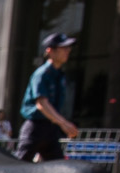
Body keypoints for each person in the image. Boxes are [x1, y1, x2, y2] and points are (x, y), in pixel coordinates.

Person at [17, 33, 79, 162]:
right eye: (63, 48)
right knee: (19, 166)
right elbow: (42, 104)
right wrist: (64, 124)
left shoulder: (60, 75)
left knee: (57, 168)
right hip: (35, 127)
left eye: (68, 48)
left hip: (51, 128)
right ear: (50, 51)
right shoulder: (42, 74)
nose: (68, 51)